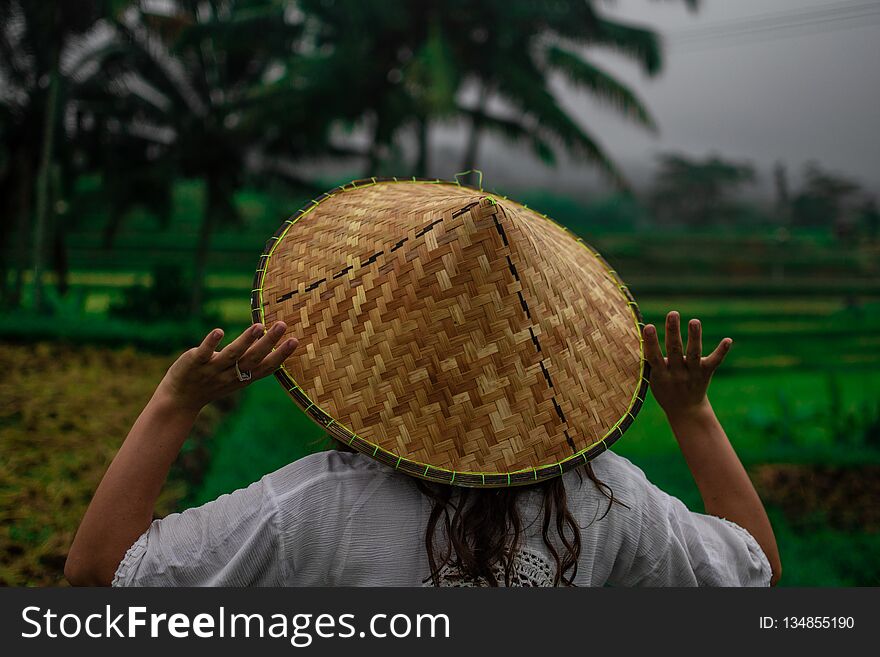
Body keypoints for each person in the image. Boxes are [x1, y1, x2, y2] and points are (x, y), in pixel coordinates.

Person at [65, 310, 781, 587]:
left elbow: (100, 569)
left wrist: (175, 400)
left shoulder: (317, 503)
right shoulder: (613, 499)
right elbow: (756, 571)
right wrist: (692, 413)